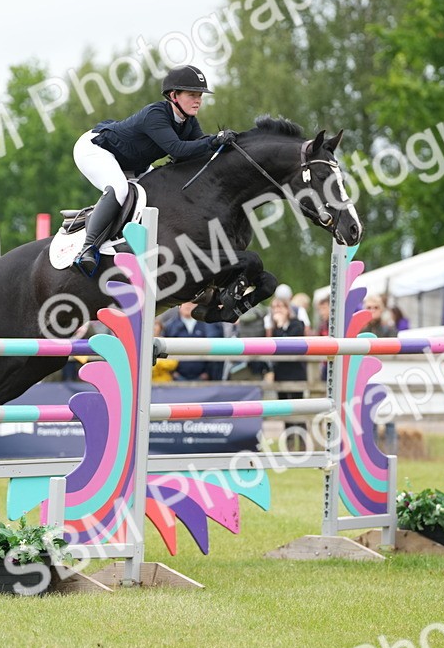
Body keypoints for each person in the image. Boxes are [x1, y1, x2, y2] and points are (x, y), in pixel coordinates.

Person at [71, 65, 237, 276]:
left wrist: (226, 146)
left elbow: (199, 150)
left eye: (200, 96)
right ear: (173, 95)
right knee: (120, 189)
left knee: (156, 191)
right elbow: (178, 149)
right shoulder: (155, 115)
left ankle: (128, 243)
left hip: (132, 163)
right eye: (192, 95)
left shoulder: (188, 122)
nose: (198, 100)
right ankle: (87, 248)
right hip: (95, 149)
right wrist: (214, 140)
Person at [261, 296, 309, 450]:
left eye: (280, 307)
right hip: (281, 372)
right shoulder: (273, 330)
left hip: (296, 373)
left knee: (299, 409)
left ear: (288, 309)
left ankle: (301, 442)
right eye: (275, 307)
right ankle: (289, 442)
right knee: (285, 409)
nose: (278, 310)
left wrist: (281, 326)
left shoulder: (297, 325)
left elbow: (289, 344)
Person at [162, 302, 224, 381]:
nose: (188, 305)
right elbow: (164, 352)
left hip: (203, 378)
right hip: (176, 378)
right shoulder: (170, 326)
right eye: (185, 302)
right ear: (179, 305)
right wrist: (172, 373)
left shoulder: (208, 326)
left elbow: (213, 348)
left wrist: (207, 373)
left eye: (192, 302)